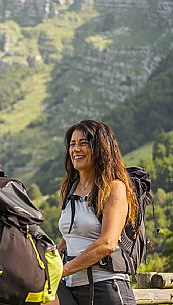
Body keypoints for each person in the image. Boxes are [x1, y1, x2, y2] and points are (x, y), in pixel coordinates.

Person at [56, 120, 137, 305]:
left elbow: (107, 243)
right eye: (72, 144)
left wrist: (64, 270)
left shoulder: (114, 188)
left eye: (83, 143)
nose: (76, 149)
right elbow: (71, 235)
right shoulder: (71, 189)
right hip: (72, 288)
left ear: (100, 148)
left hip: (106, 288)